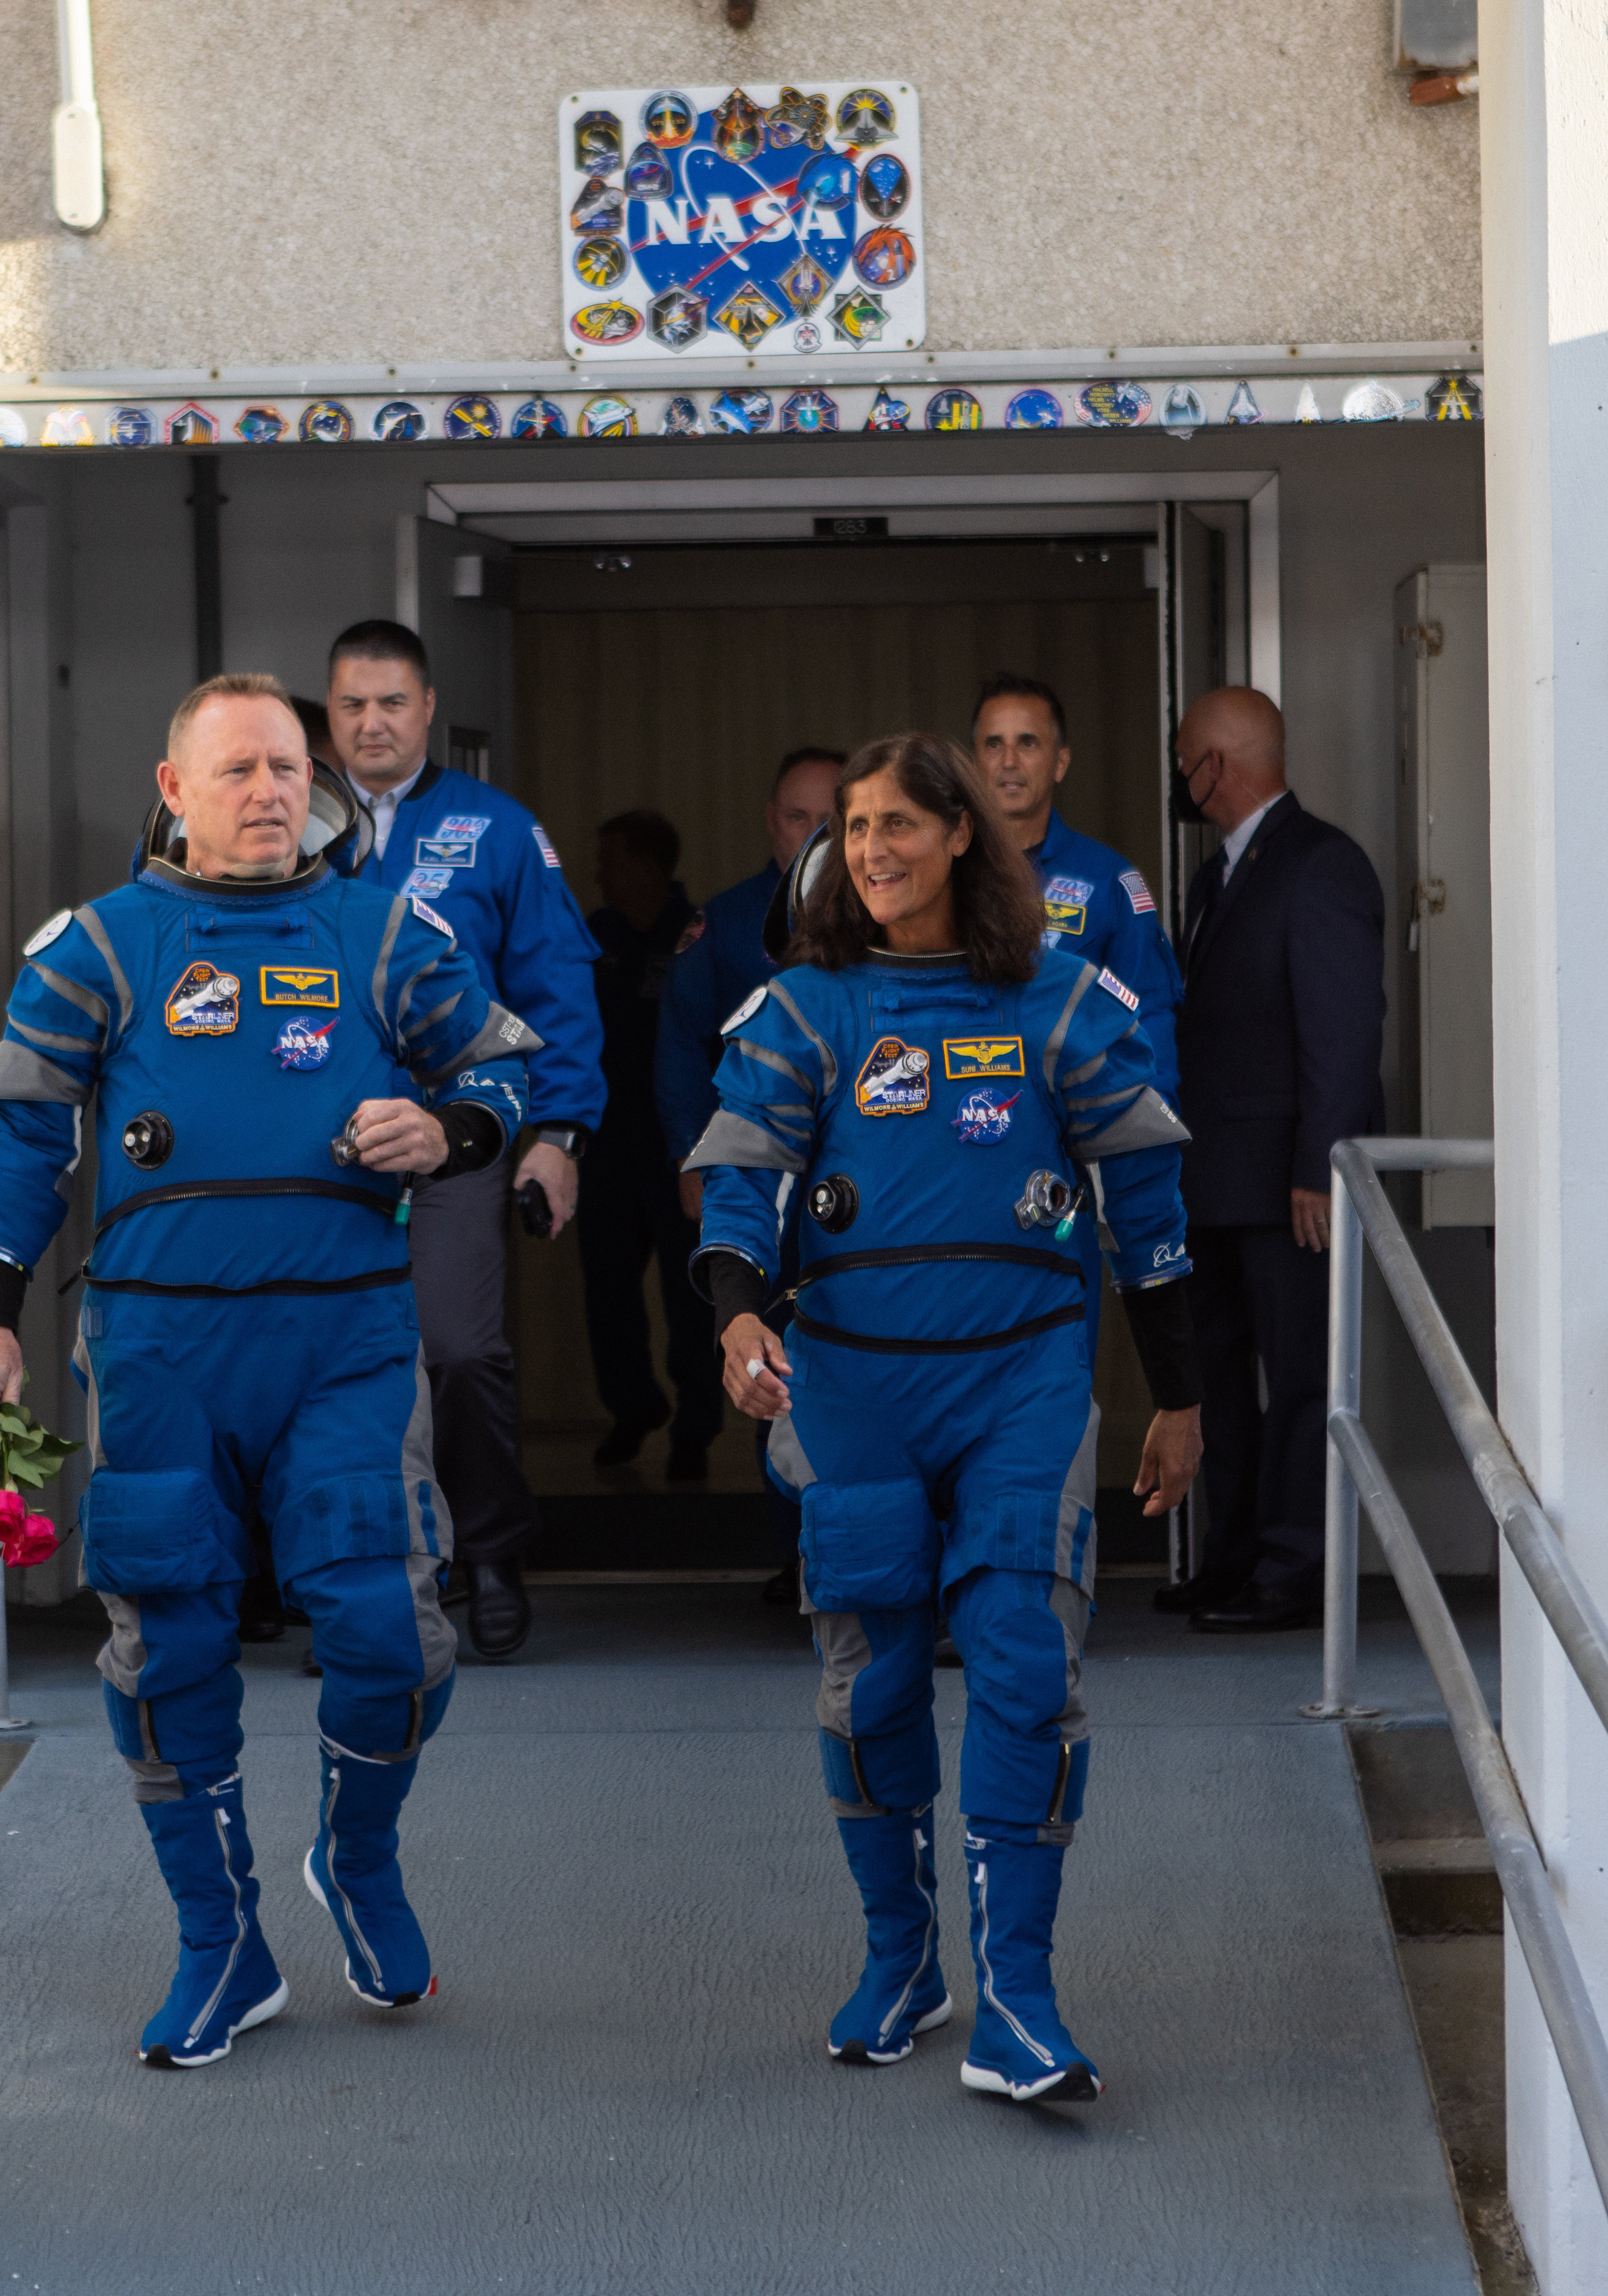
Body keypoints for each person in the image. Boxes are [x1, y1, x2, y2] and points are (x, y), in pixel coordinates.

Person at [0, 673, 536, 2068]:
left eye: (285, 765)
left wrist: (447, 1131)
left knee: (389, 1631)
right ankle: (221, 1941)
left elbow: (507, 1075)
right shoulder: (101, 945)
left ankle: (359, 1856)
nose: (269, 791)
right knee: (168, 1642)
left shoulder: (384, 933)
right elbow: (23, 1134)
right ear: (174, 790)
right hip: (160, 1349)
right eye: (236, 770)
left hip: (346, 1344)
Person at [689, 731, 1203, 2104]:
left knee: (1025, 1660)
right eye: (855, 829)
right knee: (872, 1677)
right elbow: (740, 1190)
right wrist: (738, 1316)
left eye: (900, 825)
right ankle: (902, 1958)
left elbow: (1149, 1221)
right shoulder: (803, 1012)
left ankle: (1019, 1997)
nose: (874, 851)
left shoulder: (1061, 1002)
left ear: (963, 833)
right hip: (850, 1386)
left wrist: (1180, 1398)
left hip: (1022, 1379)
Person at [327, 621, 604, 1662]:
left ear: (430, 707)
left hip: (458, 1135)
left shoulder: (496, 830)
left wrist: (558, 1134)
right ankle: (361, 1578)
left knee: (456, 1349)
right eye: (352, 704)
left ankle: (488, 1550)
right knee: (340, 1364)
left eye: (392, 702)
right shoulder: (288, 823)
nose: (372, 723)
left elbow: (555, 989)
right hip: (320, 1153)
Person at [1157, 686, 1384, 1635]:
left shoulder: (1320, 863)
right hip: (1212, 1180)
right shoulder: (1214, 878)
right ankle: (1235, 1556)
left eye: (1184, 759)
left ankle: (1295, 1567)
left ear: (1214, 764)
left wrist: (1317, 1167)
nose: (1179, 776)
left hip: (1288, 1187)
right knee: (1217, 1381)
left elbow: (1342, 1033)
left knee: (1297, 1380)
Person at [579, 809, 723, 1480]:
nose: (601, 875)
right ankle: (632, 1406)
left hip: (677, 1151)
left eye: (611, 861)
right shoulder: (595, 935)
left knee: (689, 1294)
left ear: (646, 865)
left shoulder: (695, 935)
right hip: (607, 1145)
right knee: (608, 1290)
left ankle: (695, 1427)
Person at [971, 673, 1184, 1100]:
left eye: (1027, 743)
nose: (1009, 761)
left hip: (1072, 1122)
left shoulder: (1109, 881)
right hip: (966, 1115)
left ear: (1060, 763)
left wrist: (1155, 1124)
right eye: (993, 744)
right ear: (972, 763)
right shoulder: (940, 874)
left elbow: (1147, 1015)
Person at [655, 745, 847, 1202]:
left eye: (830, 820)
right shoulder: (724, 923)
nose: (814, 834)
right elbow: (680, 1040)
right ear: (771, 819)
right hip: (753, 1160)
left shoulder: (890, 921)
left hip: (860, 1152)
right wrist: (692, 1154)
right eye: (797, 817)